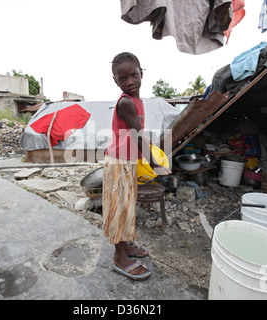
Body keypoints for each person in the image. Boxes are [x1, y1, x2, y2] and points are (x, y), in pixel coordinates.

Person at [103, 52, 171, 280]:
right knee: (118, 211)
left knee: (126, 207)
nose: (129, 81)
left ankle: (126, 246)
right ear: (116, 82)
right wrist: (155, 166)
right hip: (118, 163)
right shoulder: (125, 102)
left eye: (133, 75)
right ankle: (119, 257)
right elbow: (138, 136)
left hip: (127, 162)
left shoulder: (136, 101)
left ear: (141, 73)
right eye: (123, 79)